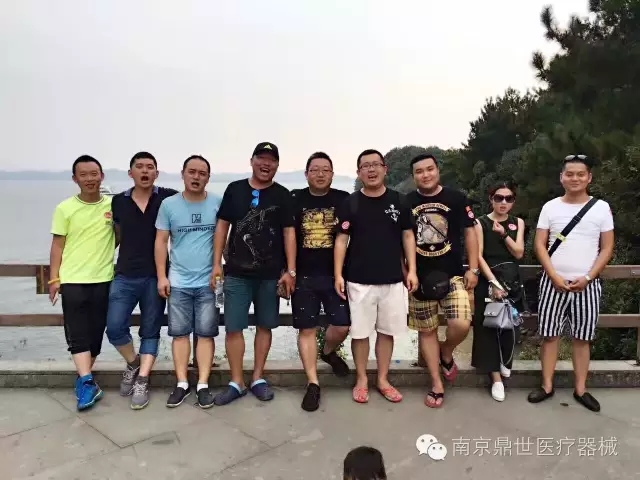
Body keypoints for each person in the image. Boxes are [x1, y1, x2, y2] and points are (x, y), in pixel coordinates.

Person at [527, 154, 614, 412]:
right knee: (550, 335)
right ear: (561, 177)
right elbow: (539, 245)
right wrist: (553, 275)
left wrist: (588, 277)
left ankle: (581, 389)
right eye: (570, 174)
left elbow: (607, 248)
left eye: (580, 174)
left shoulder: (601, 208)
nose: (575, 178)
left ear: (589, 177)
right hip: (552, 281)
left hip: (587, 283)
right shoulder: (550, 207)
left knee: (582, 338)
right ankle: (546, 385)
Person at [212, 142, 296, 405]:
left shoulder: (283, 195)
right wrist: (216, 264)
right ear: (252, 161)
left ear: (277, 165)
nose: (265, 164)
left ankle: (258, 377)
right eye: (261, 158)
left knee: (265, 325)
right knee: (233, 328)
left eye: (271, 160)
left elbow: (289, 233)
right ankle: (236, 381)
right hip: (236, 273)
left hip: (270, 275)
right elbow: (222, 226)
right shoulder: (234, 189)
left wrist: (290, 270)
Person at [334, 149, 418, 404]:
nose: (371, 170)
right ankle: (361, 379)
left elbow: (408, 236)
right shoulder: (351, 203)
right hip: (358, 279)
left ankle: (382, 379)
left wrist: (412, 270)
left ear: (385, 168)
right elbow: (341, 240)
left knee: (386, 332)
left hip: (393, 279)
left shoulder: (400, 200)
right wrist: (338, 274)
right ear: (359, 172)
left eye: (375, 165)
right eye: (365, 166)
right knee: (360, 333)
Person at [404, 153, 479, 408]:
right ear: (413, 176)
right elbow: (401, 240)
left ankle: (446, 351)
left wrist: (473, 269)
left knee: (461, 323)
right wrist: (407, 272)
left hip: (453, 273)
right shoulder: (407, 202)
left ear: (438, 170)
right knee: (427, 330)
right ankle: (436, 383)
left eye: (429, 169)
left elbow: (470, 233)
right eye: (419, 171)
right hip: (419, 277)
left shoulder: (456, 198)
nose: (425, 175)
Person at [106, 152, 178, 410]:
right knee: (114, 327)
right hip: (125, 274)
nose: (145, 171)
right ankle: (133, 363)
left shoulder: (168, 197)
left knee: (150, 330)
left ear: (157, 173)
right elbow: (115, 235)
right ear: (130, 173)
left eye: (150, 167)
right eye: (139, 167)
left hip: (156, 276)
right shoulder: (118, 202)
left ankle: (143, 379)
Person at [48, 155, 116, 411]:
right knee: (77, 334)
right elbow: (57, 245)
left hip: (103, 278)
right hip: (73, 280)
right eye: (83, 175)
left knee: (96, 335)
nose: (89, 179)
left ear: (102, 176)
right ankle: (87, 382)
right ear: (75, 179)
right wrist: (54, 278)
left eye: (94, 174)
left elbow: (118, 235)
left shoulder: (113, 205)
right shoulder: (65, 208)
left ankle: (85, 380)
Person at [154, 155, 219, 409]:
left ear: (208, 178)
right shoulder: (169, 205)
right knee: (180, 334)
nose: (196, 177)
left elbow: (224, 238)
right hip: (178, 281)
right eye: (192, 172)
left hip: (209, 281)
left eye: (202, 173)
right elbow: (161, 241)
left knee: (206, 334)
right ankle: (181, 383)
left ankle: (202, 384)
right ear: (183, 174)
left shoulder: (217, 202)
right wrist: (162, 276)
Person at [291, 152, 350, 412]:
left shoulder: (344, 199)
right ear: (306, 174)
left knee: (343, 325)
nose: (320, 174)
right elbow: (286, 236)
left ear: (332, 174)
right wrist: (287, 271)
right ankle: (313, 383)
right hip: (303, 276)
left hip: (335, 275)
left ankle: (327, 351)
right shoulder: (295, 199)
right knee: (306, 329)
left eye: (325, 169)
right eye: (315, 169)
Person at [471, 182, 525, 402]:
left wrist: (504, 235)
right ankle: (496, 379)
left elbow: (519, 252)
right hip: (489, 279)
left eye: (508, 198)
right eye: (499, 198)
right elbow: (478, 255)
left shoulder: (517, 222)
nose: (503, 202)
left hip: (512, 280)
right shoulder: (480, 223)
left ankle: (506, 363)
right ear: (491, 199)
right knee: (489, 328)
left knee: (510, 325)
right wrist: (493, 282)